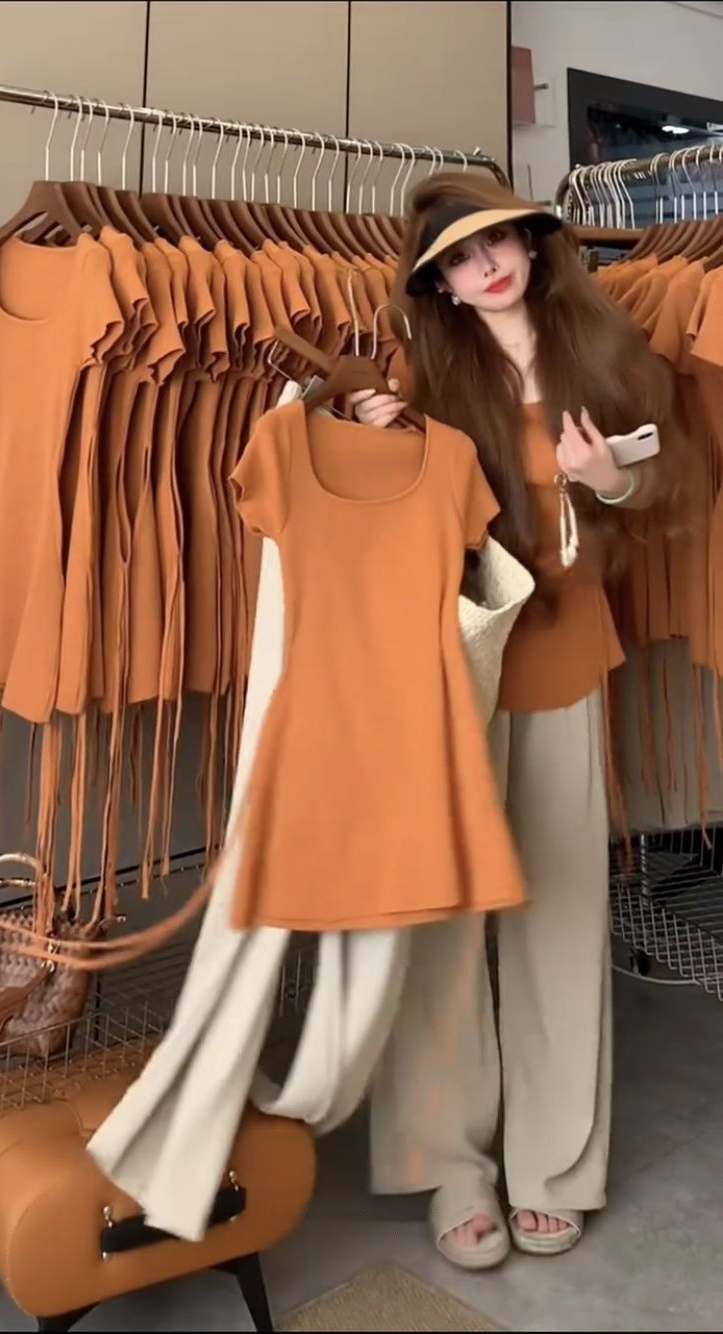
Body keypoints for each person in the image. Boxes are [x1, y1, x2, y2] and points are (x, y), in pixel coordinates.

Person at [356, 174, 682, 1269]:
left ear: (535, 246)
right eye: (456, 257)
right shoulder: (427, 372)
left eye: (495, 242)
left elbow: (672, 488)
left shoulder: (606, 350)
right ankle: (451, 1166)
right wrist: (376, 437)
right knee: (445, 916)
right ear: (438, 284)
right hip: (452, 654)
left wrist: (609, 479)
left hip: (565, 645)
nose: (483, 266)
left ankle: (556, 1165)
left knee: (559, 905)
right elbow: (385, 515)